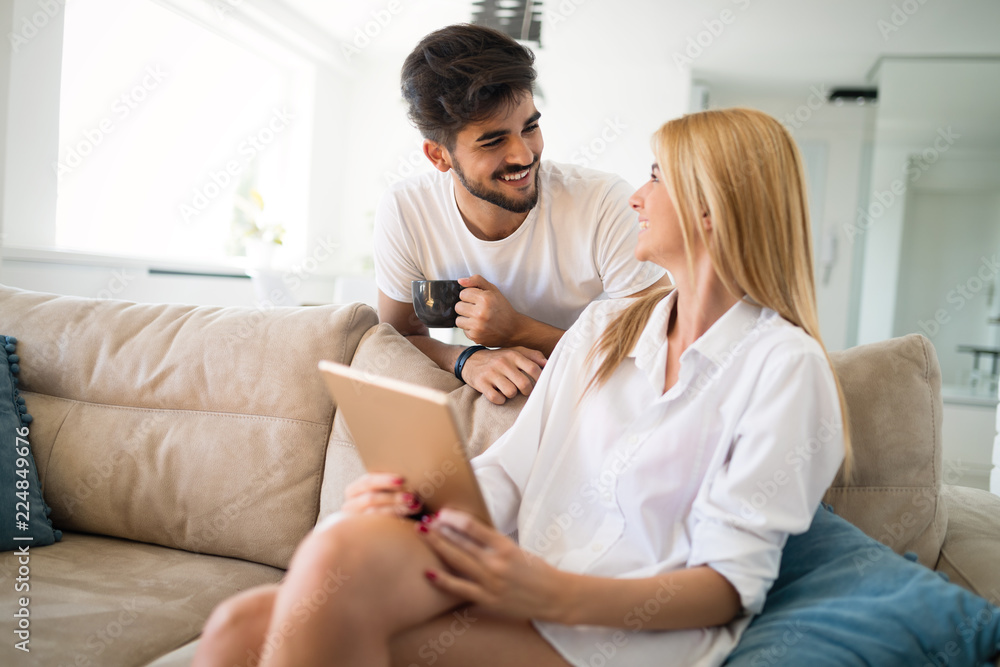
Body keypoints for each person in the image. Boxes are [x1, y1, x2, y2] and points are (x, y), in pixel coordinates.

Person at [192, 107, 852, 667]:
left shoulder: (783, 368)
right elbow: (514, 471)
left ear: (713, 206)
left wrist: (546, 591)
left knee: (299, 610)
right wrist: (418, 499)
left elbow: (731, 584)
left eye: (656, 177)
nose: (636, 197)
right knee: (239, 623)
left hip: (625, 635)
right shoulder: (607, 327)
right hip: (516, 579)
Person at [375, 24, 668, 405]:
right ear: (439, 155)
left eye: (530, 127)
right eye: (494, 141)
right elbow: (397, 339)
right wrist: (466, 359)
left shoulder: (602, 201)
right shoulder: (406, 210)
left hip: (592, 395)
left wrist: (518, 329)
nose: (524, 155)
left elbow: (663, 342)